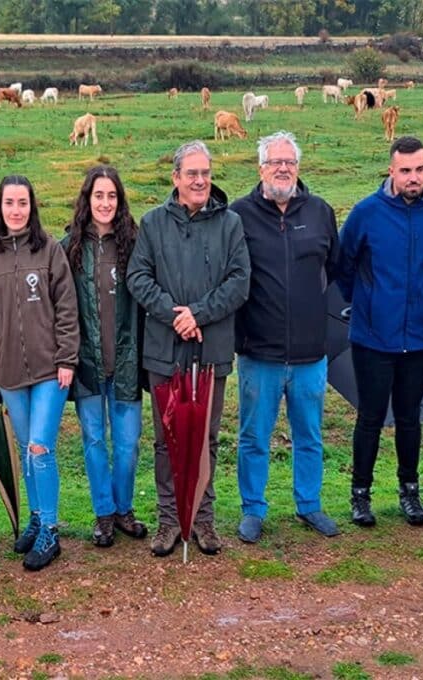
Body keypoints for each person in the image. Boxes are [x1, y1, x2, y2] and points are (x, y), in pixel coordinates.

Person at [127, 140, 250, 558]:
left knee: (205, 438)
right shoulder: (153, 223)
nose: (199, 180)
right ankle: (168, 519)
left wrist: (198, 314)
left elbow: (239, 281)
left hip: (210, 349)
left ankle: (203, 518)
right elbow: (138, 277)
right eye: (191, 173)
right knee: (167, 438)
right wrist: (172, 313)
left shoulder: (230, 224)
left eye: (205, 173)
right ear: (176, 178)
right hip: (164, 350)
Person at [230, 131, 340, 543]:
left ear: (298, 167)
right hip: (259, 352)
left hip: (312, 353)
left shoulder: (320, 212)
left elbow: (337, 268)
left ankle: (309, 504)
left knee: (309, 435)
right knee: (254, 436)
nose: (282, 169)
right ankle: (253, 509)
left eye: (289, 162)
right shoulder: (238, 215)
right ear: (260, 168)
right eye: (275, 162)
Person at [337, 136, 423, 528]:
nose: (413, 177)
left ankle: (409, 491)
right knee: (369, 418)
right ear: (391, 170)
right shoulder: (366, 213)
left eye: (420, 169)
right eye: (405, 171)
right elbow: (344, 264)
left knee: (409, 418)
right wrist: (367, 304)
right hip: (372, 338)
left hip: (420, 338)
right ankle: (360, 495)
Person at [0, 175, 80, 571]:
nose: (16, 210)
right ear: (0, 208)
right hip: (8, 371)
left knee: (41, 446)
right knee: (26, 449)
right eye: (9, 203)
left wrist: (67, 358)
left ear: (32, 206)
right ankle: (36, 518)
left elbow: (67, 308)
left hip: (49, 369)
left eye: (23, 203)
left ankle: (51, 531)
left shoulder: (51, 250)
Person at [60, 166, 147, 548]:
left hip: (126, 361)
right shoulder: (69, 247)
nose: (105, 203)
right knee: (94, 440)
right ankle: (104, 514)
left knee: (127, 444)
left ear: (120, 200)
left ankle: (124, 508)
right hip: (88, 364)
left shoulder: (135, 243)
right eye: (99, 196)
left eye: (112, 196)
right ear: (87, 200)